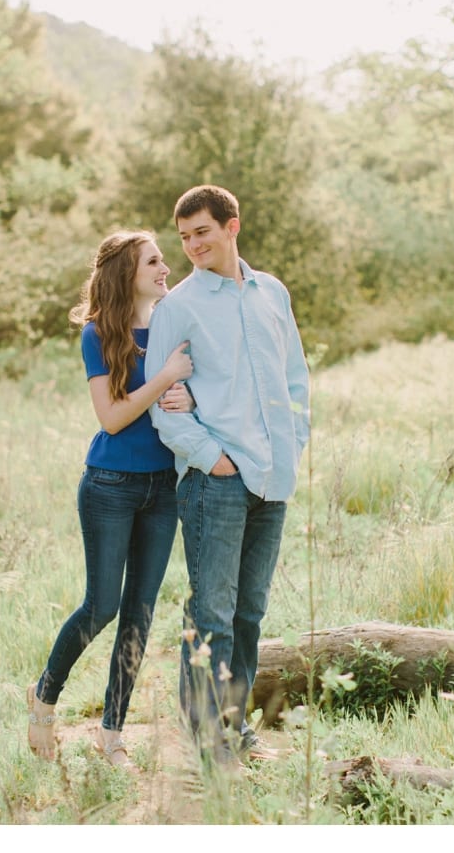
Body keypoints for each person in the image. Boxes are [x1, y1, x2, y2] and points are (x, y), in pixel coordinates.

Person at [145, 184, 311, 765]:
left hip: (273, 476)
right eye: (184, 236)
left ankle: (236, 730)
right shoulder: (179, 307)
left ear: (232, 226)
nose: (191, 245)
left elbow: (295, 376)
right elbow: (159, 400)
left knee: (249, 613)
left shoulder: (273, 293)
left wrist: (294, 440)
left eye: (202, 233)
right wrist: (211, 457)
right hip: (216, 480)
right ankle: (205, 740)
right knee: (211, 612)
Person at [27, 230, 195, 771]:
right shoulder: (99, 333)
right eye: (154, 260)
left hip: (164, 486)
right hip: (110, 484)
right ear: (128, 272)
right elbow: (113, 417)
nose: (165, 267)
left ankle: (112, 734)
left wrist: (186, 389)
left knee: (141, 614)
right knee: (103, 605)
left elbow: (199, 388)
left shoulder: (174, 323)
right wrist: (165, 377)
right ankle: (45, 695)